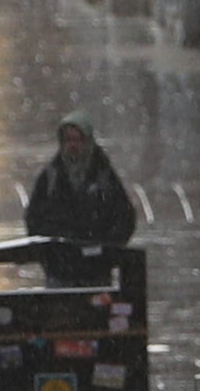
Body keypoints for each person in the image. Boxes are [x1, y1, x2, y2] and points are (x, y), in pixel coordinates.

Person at [24, 114, 140, 285]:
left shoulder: (104, 176)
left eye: (77, 139)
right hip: (60, 272)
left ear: (87, 141)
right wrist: (50, 253)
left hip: (96, 272)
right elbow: (33, 218)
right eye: (68, 140)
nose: (72, 145)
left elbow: (125, 216)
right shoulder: (50, 177)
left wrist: (107, 251)